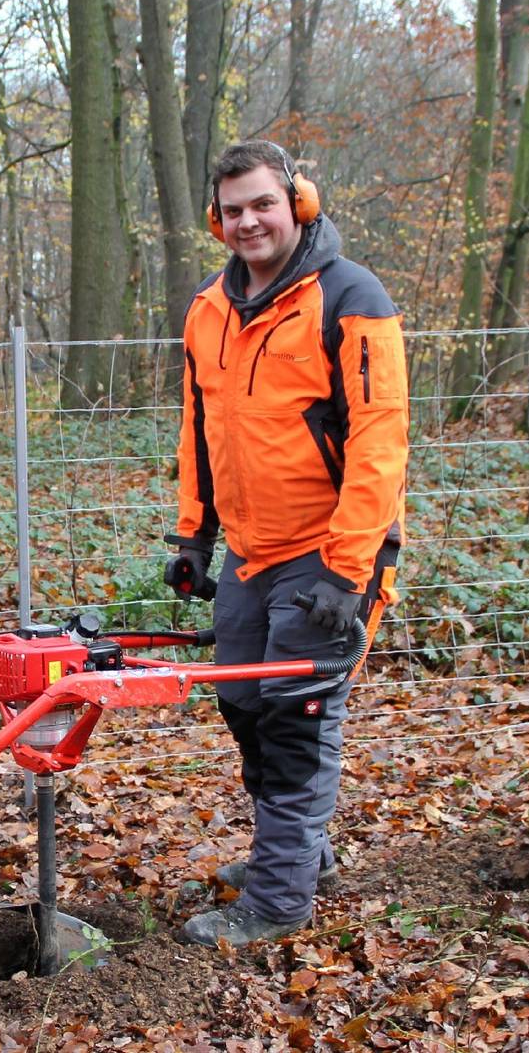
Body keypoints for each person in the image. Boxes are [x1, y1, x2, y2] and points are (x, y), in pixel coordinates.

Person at [163, 140, 409, 946]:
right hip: (251, 551)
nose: (248, 221)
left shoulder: (351, 299)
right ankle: (302, 855)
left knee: (296, 718)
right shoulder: (208, 307)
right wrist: (195, 534)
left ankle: (279, 900)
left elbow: (379, 440)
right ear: (216, 218)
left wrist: (350, 570)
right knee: (243, 705)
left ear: (297, 200)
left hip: (330, 552)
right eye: (233, 210)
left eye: (263, 204)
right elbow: (201, 427)